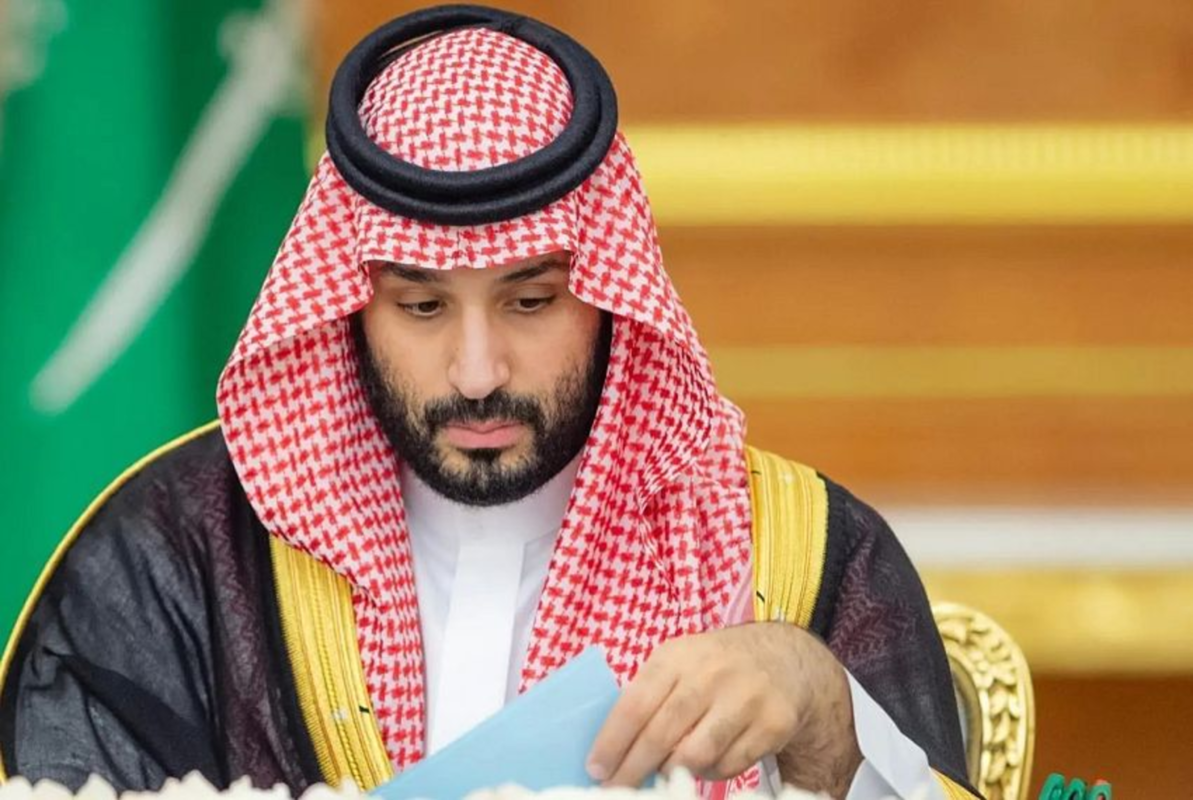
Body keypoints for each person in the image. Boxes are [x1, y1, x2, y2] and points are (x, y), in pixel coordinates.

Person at [0, 7, 978, 800]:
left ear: (608, 294)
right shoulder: (175, 554)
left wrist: (821, 715)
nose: (476, 370)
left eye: (530, 301)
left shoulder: (793, 551)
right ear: (350, 302)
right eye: (422, 306)